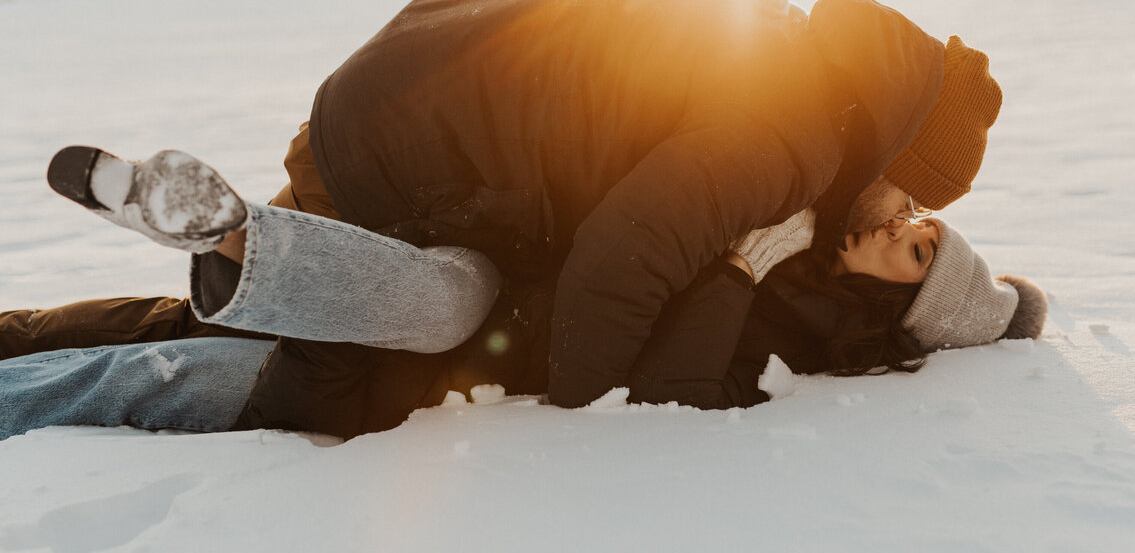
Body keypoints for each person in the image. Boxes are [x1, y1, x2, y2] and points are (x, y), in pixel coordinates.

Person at [9, 0, 1005, 437]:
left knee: (303, 316)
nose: (896, 212)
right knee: (283, 382)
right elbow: (621, 267)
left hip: (405, 137)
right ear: (898, 135)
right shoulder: (794, 134)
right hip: (414, 171)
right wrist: (584, 403)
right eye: (917, 197)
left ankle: (229, 241)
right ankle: (229, 243)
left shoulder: (786, 58)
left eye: (918, 235)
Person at [0, 216, 1047, 441]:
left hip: (430, 383)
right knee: (165, 317)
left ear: (902, 309)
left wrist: (741, 263)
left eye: (917, 251)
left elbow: (683, 384)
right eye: (920, 222)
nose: (903, 226)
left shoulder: (799, 338)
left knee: (161, 372)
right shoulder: (799, 223)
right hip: (459, 299)